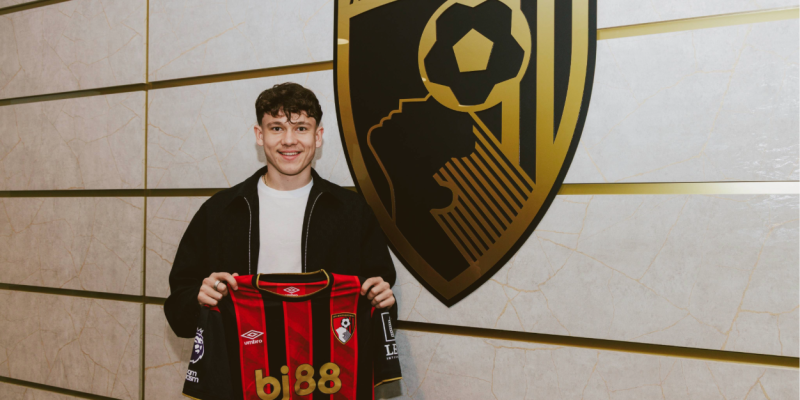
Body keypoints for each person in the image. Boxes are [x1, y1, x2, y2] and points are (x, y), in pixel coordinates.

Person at [164, 82, 396, 338]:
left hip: (325, 361)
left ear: (317, 136)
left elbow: (381, 310)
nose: (288, 140)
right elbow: (179, 313)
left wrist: (382, 303)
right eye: (276, 128)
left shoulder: (353, 212)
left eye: (301, 128)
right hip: (240, 360)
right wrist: (199, 299)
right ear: (259, 135)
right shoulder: (220, 211)